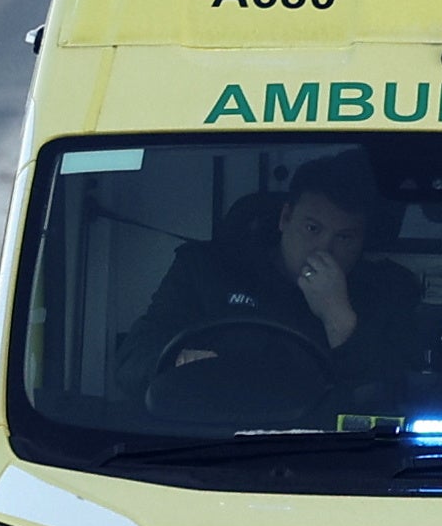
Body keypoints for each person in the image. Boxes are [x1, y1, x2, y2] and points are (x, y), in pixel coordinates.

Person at [128, 153, 422, 404]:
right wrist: (178, 359)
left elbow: (390, 396)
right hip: (210, 435)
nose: (324, 249)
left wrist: (338, 318)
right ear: (285, 218)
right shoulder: (208, 268)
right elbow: (132, 357)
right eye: (312, 229)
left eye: (344, 237)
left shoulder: (387, 291)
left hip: (325, 451)